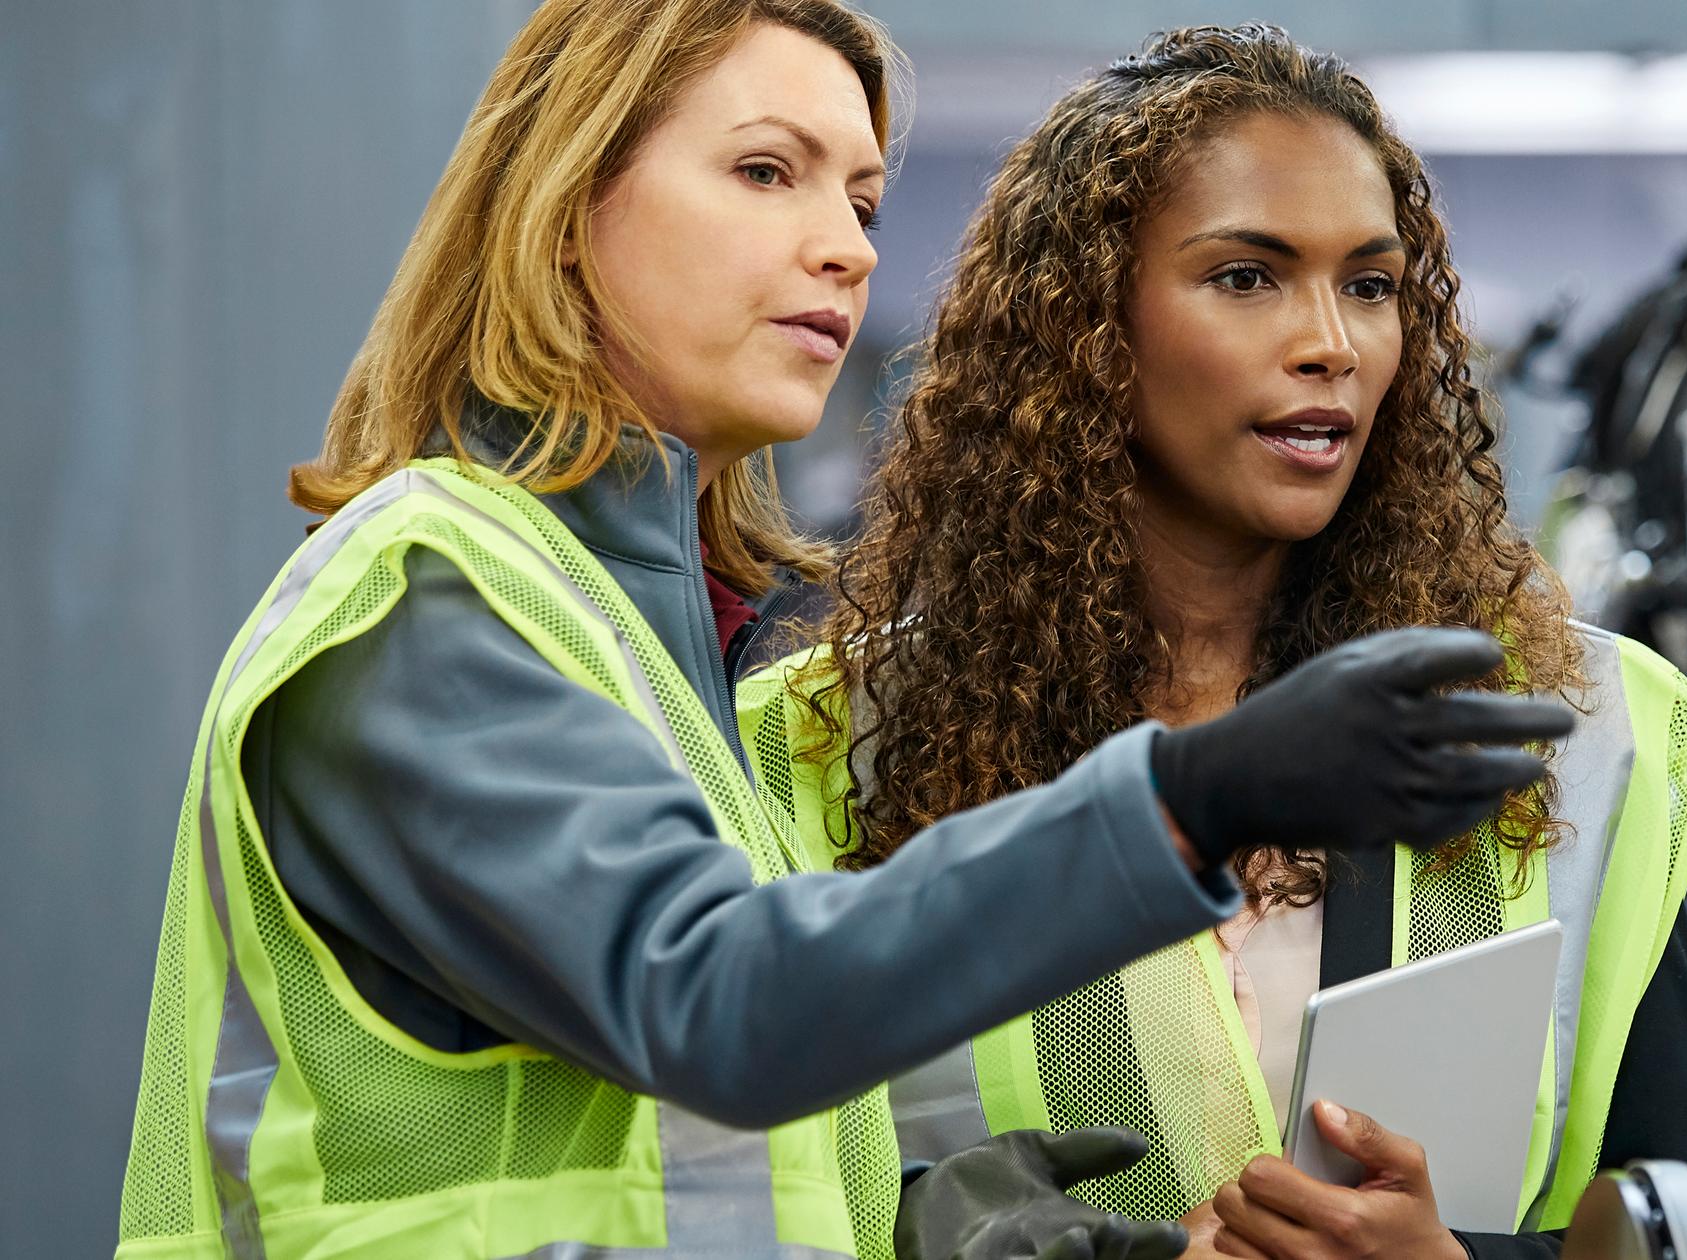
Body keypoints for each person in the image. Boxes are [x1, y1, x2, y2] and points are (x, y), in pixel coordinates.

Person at [109, 5, 1578, 1259]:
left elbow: (687, 1156)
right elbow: (721, 1003)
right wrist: (1197, 795)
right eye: (768, 173)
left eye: (863, 204)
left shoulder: (648, 645)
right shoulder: (429, 600)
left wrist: (933, 1221)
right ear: (563, 207)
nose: (844, 250)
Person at [739, 24, 1687, 1260]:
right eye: (1245, 278)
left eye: (1368, 285)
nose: (1330, 342)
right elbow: (758, 1204)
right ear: (1085, 328)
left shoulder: (1575, 727)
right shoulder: (825, 749)